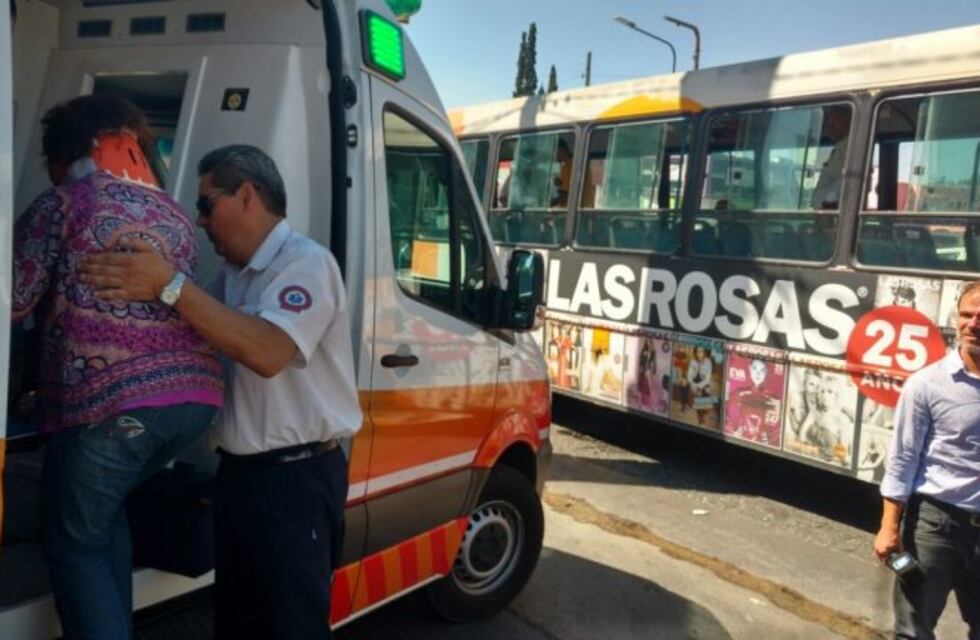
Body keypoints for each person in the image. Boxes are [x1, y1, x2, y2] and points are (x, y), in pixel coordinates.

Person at [79, 145, 363, 640]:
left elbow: (268, 351)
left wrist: (169, 286)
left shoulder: (306, 264)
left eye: (207, 204)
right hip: (242, 479)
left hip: (295, 482)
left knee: (288, 626)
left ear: (247, 195)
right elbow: (190, 326)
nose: (201, 220)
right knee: (238, 622)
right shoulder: (232, 276)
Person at [12, 94, 223, 639]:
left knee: (74, 542)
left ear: (67, 152)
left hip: (114, 413)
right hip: (193, 404)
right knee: (105, 514)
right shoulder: (174, 213)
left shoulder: (62, 204)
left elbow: (12, 302)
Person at [873, 280, 980, 640]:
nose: (973, 323)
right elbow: (903, 460)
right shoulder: (927, 384)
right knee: (913, 630)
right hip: (935, 527)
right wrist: (889, 527)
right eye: (966, 314)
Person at [810, 106, 851, 210]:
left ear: (847, 124)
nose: (830, 128)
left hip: (829, 213)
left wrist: (829, 202)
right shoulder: (839, 148)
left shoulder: (849, 147)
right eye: (829, 124)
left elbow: (849, 177)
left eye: (834, 124)